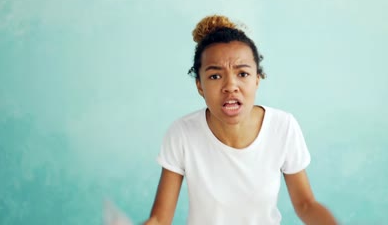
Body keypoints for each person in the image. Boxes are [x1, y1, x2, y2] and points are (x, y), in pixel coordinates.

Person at [144, 15, 337, 225]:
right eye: (215, 76)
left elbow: (306, 205)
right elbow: (159, 219)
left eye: (242, 73)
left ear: (257, 79)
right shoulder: (182, 132)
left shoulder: (283, 126)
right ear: (199, 85)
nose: (230, 86)